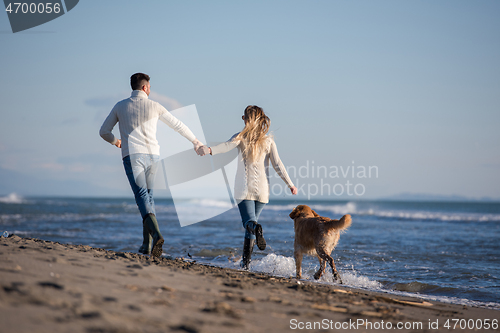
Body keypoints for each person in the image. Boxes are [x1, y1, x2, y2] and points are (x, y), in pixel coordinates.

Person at [99, 73, 205, 257]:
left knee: (142, 197)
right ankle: (146, 244)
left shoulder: (120, 106)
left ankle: (156, 235)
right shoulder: (154, 106)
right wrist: (196, 141)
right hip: (153, 156)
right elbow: (178, 125)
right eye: (149, 86)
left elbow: (103, 131)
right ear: (145, 88)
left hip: (132, 155)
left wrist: (116, 142)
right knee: (148, 197)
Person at [199, 105, 298, 269]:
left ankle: (254, 235)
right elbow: (278, 164)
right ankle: (246, 264)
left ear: (248, 120)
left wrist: (209, 150)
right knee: (251, 224)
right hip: (263, 192)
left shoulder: (240, 137)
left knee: (249, 223)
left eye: (244, 117)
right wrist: (290, 184)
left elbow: (225, 146)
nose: (242, 119)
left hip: (244, 189)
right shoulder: (268, 140)